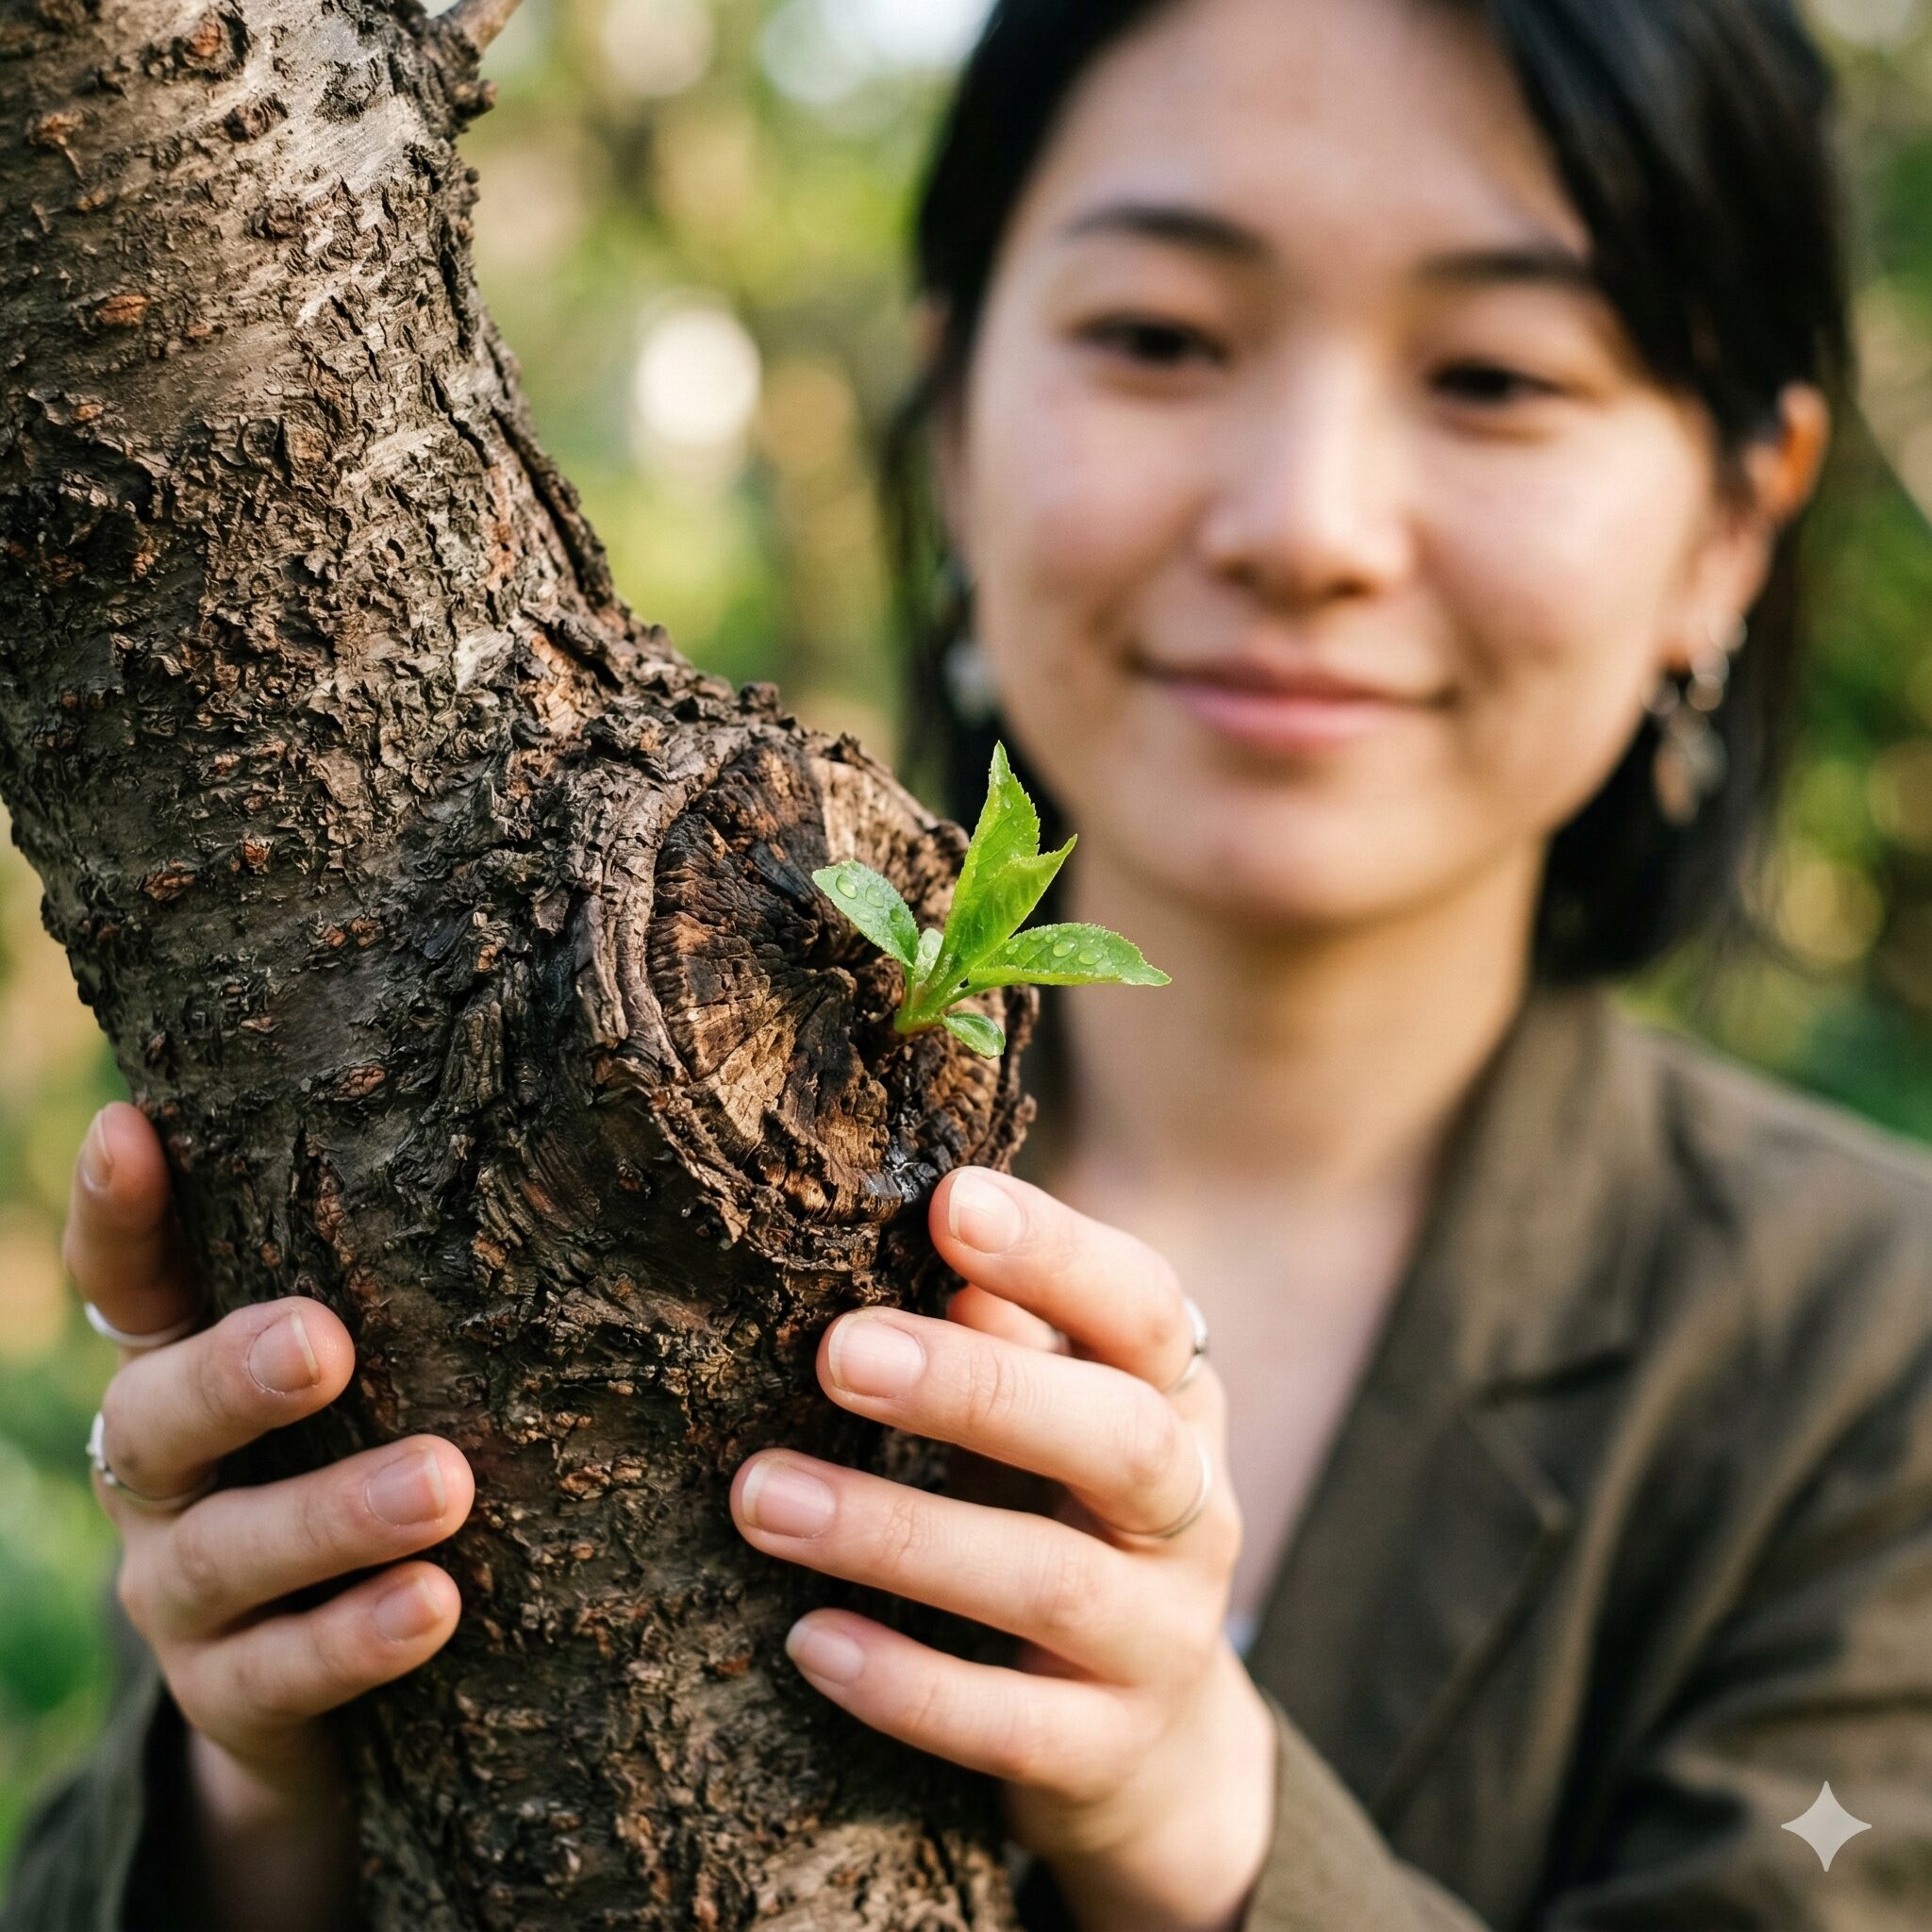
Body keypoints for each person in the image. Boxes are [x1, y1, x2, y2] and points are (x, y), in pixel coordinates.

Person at [7, 0, 1932, 1926]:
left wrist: (1211, 1821)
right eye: (1160, 336)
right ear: (950, 422)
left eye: (1498, 373)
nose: (1304, 527)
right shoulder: (563, 1153)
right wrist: (250, 1811)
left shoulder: (1874, 1363)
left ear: (1732, 521)